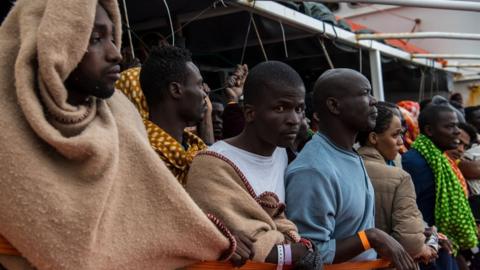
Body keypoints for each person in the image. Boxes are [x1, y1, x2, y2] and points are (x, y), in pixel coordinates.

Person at [0, 0, 245, 268]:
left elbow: (153, 215)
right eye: (95, 39)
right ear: (50, 43)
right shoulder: (7, 134)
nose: (115, 53)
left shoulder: (123, 119)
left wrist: (209, 236)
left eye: (111, 36)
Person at [186, 61, 323, 268]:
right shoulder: (212, 164)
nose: (293, 119)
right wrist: (298, 251)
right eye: (280, 108)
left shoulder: (284, 156)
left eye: (299, 109)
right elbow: (247, 247)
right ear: (250, 113)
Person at [285, 68, 416, 270]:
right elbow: (308, 253)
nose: (374, 101)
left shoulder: (349, 154)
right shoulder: (313, 169)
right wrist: (370, 238)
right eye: (365, 93)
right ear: (334, 105)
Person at [115, 46, 212, 186]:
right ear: (175, 90)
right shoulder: (142, 159)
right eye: (198, 85)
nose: (204, 94)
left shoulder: (196, 149)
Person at [357, 102, 437, 263]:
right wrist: (430, 246)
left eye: (402, 134)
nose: (401, 142)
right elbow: (411, 246)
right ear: (373, 138)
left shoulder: (345, 166)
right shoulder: (398, 177)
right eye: (395, 135)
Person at [402, 105, 479, 270]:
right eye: (450, 126)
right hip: (429, 253)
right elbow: (410, 212)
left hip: (445, 248)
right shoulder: (414, 162)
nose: (457, 131)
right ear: (429, 130)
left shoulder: (440, 159)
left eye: (457, 125)